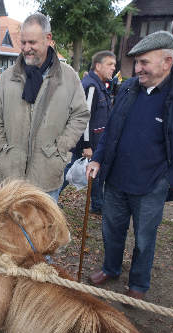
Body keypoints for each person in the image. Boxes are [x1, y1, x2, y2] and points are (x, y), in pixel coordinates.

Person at [86, 31, 173, 300]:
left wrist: (168, 179)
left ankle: (139, 285)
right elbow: (111, 130)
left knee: (144, 239)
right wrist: (97, 157)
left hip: (151, 186)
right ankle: (110, 268)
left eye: (144, 62)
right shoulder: (129, 88)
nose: (137, 68)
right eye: (137, 62)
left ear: (167, 61)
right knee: (111, 231)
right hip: (117, 180)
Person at [0, 13, 89, 202]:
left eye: (32, 42)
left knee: (43, 230)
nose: (26, 48)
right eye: (23, 42)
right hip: (12, 178)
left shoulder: (68, 77)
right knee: (12, 230)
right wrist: (3, 149)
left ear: (48, 39)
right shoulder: (7, 77)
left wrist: (60, 148)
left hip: (47, 177)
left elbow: (80, 115)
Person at [60, 50, 116, 214]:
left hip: (95, 142)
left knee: (92, 170)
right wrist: (86, 145)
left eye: (114, 64)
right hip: (88, 143)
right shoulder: (91, 86)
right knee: (73, 170)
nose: (113, 68)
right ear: (98, 66)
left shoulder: (99, 84)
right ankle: (50, 197)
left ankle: (98, 204)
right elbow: (84, 118)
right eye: (110, 64)